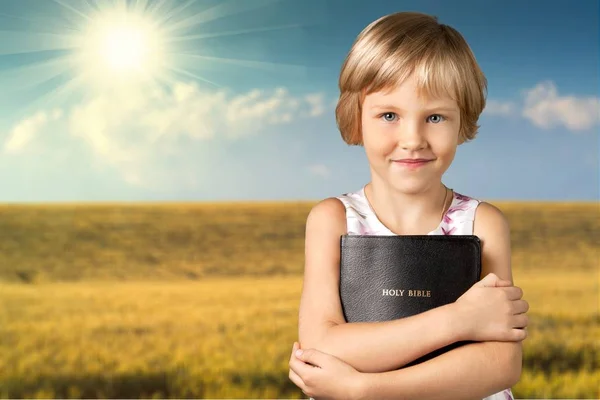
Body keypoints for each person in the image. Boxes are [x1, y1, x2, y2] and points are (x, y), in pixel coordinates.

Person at [287, 11, 529, 400]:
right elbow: (322, 345)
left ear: (462, 120)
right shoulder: (332, 220)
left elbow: (501, 366)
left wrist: (363, 389)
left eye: (435, 116)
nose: (413, 138)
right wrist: (459, 319)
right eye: (389, 115)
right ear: (356, 119)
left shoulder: (482, 224)